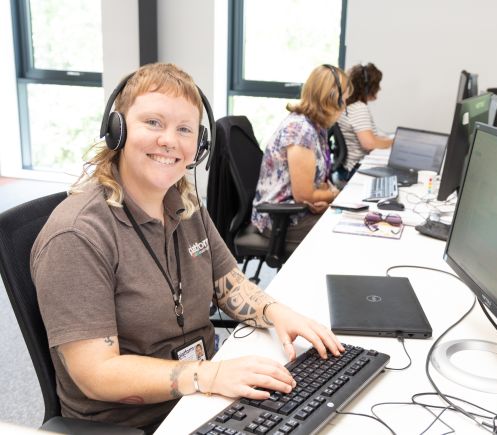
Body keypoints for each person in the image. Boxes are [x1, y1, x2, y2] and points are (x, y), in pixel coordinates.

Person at [30, 63, 344, 433]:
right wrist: (208, 376)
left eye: (184, 129)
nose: (169, 141)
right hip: (141, 423)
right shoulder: (78, 234)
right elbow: (97, 374)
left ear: (200, 144)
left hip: (202, 398)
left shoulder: (184, 204)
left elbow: (230, 283)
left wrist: (277, 313)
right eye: (153, 123)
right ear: (117, 129)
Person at [251, 64, 351, 246]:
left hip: (299, 210)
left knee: (350, 223)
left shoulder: (315, 126)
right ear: (332, 99)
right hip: (281, 220)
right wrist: (333, 194)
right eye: (344, 100)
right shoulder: (300, 130)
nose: (345, 107)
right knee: (345, 235)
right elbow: (304, 195)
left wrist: (323, 197)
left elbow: (314, 185)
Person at [337, 63, 393, 181]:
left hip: (345, 168)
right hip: (354, 169)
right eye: (378, 85)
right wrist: (393, 143)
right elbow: (369, 143)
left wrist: (387, 140)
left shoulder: (347, 105)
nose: (380, 88)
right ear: (367, 88)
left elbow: (371, 138)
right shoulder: (358, 108)